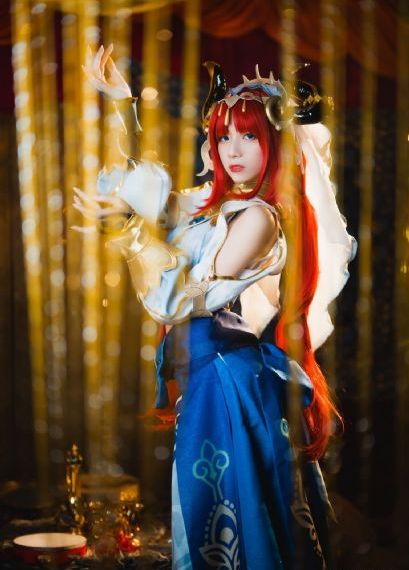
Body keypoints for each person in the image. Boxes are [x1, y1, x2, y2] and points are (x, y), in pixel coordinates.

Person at [75, 44, 356, 569]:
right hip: (209, 378)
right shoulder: (215, 205)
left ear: (274, 142)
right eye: (223, 135)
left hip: (230, 381)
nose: (231, 149)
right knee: (211, 513)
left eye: (248, 136)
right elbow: (144, 196)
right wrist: (122, 105)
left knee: (235, 522)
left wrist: (132, 235)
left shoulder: (260, 219)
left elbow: (181, 297)